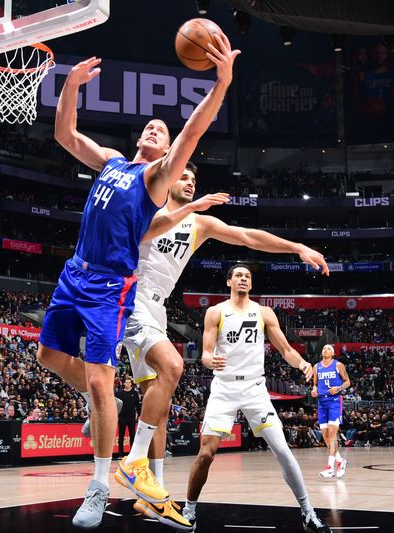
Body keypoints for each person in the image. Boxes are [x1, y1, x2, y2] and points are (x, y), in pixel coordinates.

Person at [35, 34, 240, 530]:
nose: (153, 127)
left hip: (110, 288)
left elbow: (193, 130)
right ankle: (113, 406)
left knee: (101, 382)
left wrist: (221, 84)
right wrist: (71, 87)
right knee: (49, 359)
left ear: (168, 153)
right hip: (73, 274)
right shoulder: (111, 162)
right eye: (148, 125)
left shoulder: (155, 179)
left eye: (161, 130)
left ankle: (99, 486)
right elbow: (65, 135)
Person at [120, 161, 327, 526]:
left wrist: (297, 247)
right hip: (131, 296)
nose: (190, 182)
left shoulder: (200, 224)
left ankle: (155, 496)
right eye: (183, 176)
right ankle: (116, 443)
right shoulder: (149, 206)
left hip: (158, 308)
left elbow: (249, 236)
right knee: (170, 368)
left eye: (194, 179)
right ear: (167, 180)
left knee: (159, 400)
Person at [182, 265, 330, 532]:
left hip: (255, 388)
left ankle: (308, 513)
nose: (243, 279)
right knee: (206, 453)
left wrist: (303, 364)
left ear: (251, 283)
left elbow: (285, 350)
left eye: (247, 276)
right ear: (229, 281)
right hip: (224, 388)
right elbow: (205, 353)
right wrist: (209, 361)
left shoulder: (263, 313)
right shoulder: (215, 312)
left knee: (283, 450)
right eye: (238, 275)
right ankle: (189, 511)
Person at [311, 344, 351, 479]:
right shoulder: (316, 367)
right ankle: (341, 461)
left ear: (333, 353)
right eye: (323, 348)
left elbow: (348, 382)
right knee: (326, 437)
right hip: (321, 402)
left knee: (333, 434)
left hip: (334, 401)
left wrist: (339, 388)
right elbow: (315, 383)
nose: (325, 350)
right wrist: (314, 390)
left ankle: (330, 467)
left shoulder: (338, 365)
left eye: (328, 348)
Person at [115, 376, 140, 458]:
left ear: (131, 384)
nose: (128, 384)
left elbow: (138, 406)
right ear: (124, 383)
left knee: (132, 435)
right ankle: (120, 454)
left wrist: (139, 415)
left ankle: (132, 454)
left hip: (131, 417)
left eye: (129, 382)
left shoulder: (135, 393)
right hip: (122, 417)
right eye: (126, 382)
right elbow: (116, 406)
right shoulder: (119, 393)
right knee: (121, 436)